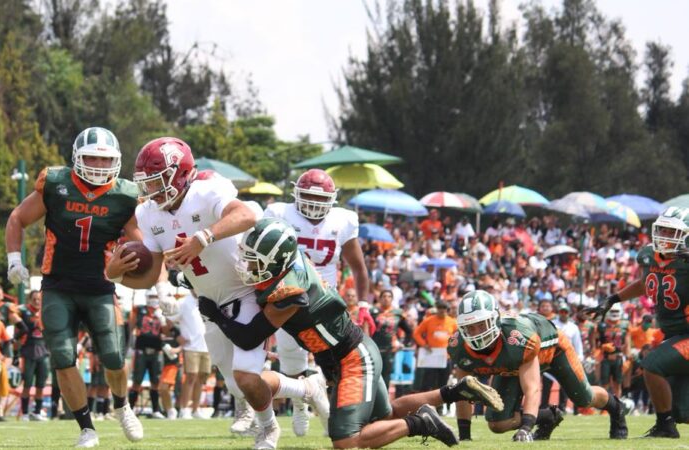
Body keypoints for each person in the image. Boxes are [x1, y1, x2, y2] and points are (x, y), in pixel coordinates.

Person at [198, 218, 505, 449]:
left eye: (256, 260)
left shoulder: (289, 291)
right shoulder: (288, 265)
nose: (248, 265)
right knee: (384, 419)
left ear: (277, 261)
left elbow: (249, 337)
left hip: (352, 360)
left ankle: (420, 423)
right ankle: (455, 391)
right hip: (346, 354)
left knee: (346, 440)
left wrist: (215, 314)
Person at [108, 137, 325, 449]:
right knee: (238, 386)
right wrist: (114, 275)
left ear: (179, 175)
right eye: (147, 183)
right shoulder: (148, 214)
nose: (151, 191)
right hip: (210, 303)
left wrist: (203, 237)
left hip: (246, 290)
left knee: (248, 376)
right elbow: (151, 274)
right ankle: (306, 389)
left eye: (156, 182)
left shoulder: (206, 188)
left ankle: (269, 430)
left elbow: (248, 214)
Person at [5, 126, 143, 447]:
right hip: (58, 285)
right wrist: (14, 259)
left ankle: (122, 407)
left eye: (104, 159)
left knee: (113, 355)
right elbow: (17, 218)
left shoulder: (125, 196)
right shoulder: (56, 183)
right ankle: (86, 428)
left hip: (101, 285)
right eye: (91, 157)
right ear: (76, 158)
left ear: (117, 161)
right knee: (63, 357)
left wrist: (159, 282)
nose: (97, 164)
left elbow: (143, 248)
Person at [263, 169, 370, 436]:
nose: (312, 204)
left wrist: (365, 304)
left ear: (332, 199)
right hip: (289, 294)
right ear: (296, 194)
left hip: (324, 298)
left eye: (319, 198)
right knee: (291, 359)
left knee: (336, 359)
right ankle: (301, 405)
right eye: (307, 196)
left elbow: (358, 267)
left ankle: (336, 416)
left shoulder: (343, 220)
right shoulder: (279, 213)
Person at [449, 290, 628, 442]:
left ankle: (615, 407)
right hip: (513, 361)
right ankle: (548, 417)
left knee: (583, 398)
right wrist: (464, 436)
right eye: (470, 327)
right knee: (497, 424)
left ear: (495, 320)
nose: (476, 333)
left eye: (481, 325)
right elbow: (463, 392)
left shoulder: (517, 338)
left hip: (552, 351)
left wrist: (526, 428)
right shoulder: (459, 348)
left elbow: (532, 388)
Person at [587, 206, 689, 438]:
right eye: (662, 229)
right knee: (683, 411)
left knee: (652, 364)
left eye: (672, 231)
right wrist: (613, 299)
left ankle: (665, 427)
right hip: (675, 335)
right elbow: (646, 282)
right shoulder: (648, 255)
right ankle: (670, 421)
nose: (664, 235)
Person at [128, 290, 166, 419]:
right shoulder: (139, 310)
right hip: (141, 351)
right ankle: (130, 410)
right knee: (136, 381)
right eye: (151, 296)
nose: (154, 298)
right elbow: (131, 327)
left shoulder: (162, 310)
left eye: (156, 296)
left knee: (155, 381)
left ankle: (156, 410)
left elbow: (167, 331)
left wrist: (163, 319)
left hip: (156, 351)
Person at [177, 290, 211, 419]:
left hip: (207, 346)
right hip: (191, 346)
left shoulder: (207, 299)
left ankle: (196, 409)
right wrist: (176, 335)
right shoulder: (183, 302)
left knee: (202, 378)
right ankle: (184, 409)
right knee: (191, 376)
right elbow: (169, 319)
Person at [16, 290, 49, 421]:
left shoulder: (45, 312)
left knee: (41, 384)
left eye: (38, 299)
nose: (36, 301)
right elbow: (22, 327)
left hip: (43, 350)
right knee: (27, 384)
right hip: (29, 350)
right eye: (34, 299)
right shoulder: (24, 312)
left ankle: (37, 412)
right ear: (30, 300)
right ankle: (24, 413)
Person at [413, 301, 457, 397]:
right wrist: (424, 344)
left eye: (444, 308)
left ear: (447, 310)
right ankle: (425, 403)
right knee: (428, 381)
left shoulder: (453, 322)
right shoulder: (429, 320)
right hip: (431, 356)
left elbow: (458, 336)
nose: (442, 310)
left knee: (443, 382)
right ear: (437, 309)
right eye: (440, 308)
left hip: (446, 357)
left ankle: (440, 406)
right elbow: (416, 333)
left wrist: (453, 346)